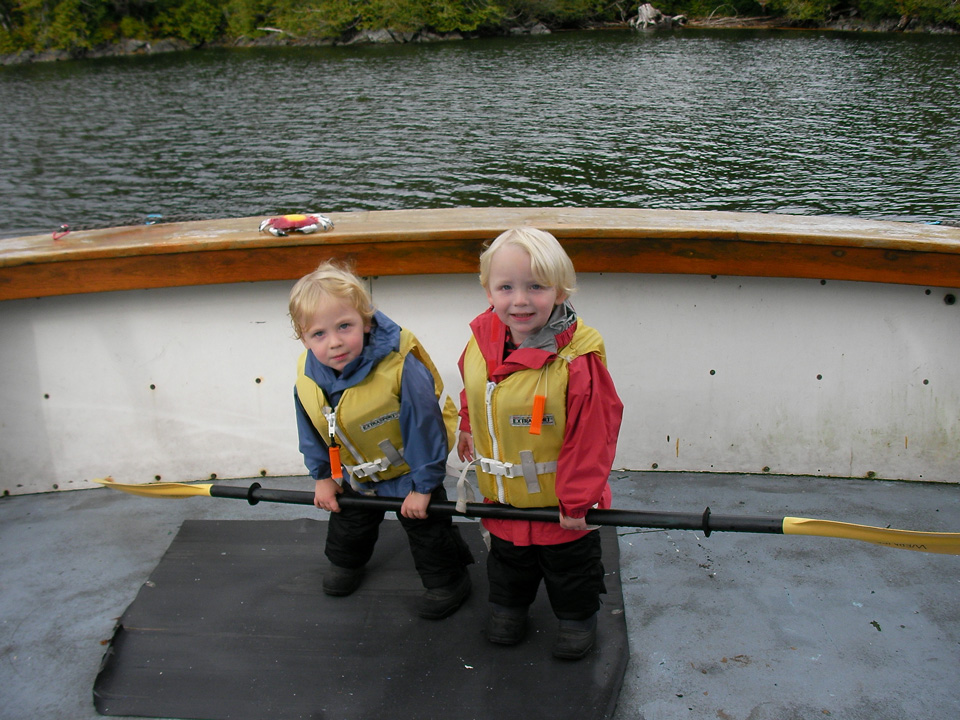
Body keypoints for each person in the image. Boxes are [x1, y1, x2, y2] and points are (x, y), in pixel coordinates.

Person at [456, 227, 623, 660]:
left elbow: (593, 436)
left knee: (571, 573)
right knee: (508, 564)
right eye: (505, 287)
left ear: (560, 290)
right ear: (488, 290)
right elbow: (474, 389)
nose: (520, 300)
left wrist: (576, 502)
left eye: (536, 287)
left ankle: (576, 619)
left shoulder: (578, 358)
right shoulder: (480, 340)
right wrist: (468, 426)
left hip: (561, 507)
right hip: (504, 502)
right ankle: (509, 609)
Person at [289, 260, 474, 619]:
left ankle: (449, 581)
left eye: (345, 326)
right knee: (348, 524)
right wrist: (323, 477)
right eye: (319, 334)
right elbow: (310, 429)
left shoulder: (401, 368)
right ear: (303, 336)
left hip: (410, 471)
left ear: (366, 321)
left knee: (427, 530)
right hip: (356, 475)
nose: (335, 342)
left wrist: (423, 486)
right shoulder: (308, 377)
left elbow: (427, 430)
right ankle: (346, 565)